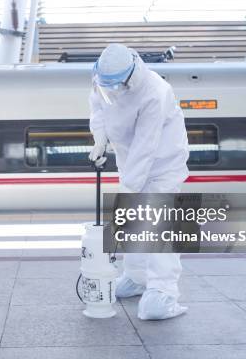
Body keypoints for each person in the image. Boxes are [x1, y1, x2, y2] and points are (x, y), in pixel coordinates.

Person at [88, 43, 189, 320]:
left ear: (130, 78)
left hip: (162, 164)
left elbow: (147, 147)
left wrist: (127, 190)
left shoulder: (156, 93)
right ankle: (136, 277)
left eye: (115, 86)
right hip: (129, 159)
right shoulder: (102, 79)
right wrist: (99, 138)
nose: (111, 90)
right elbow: (97, 107)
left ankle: (164, 290)